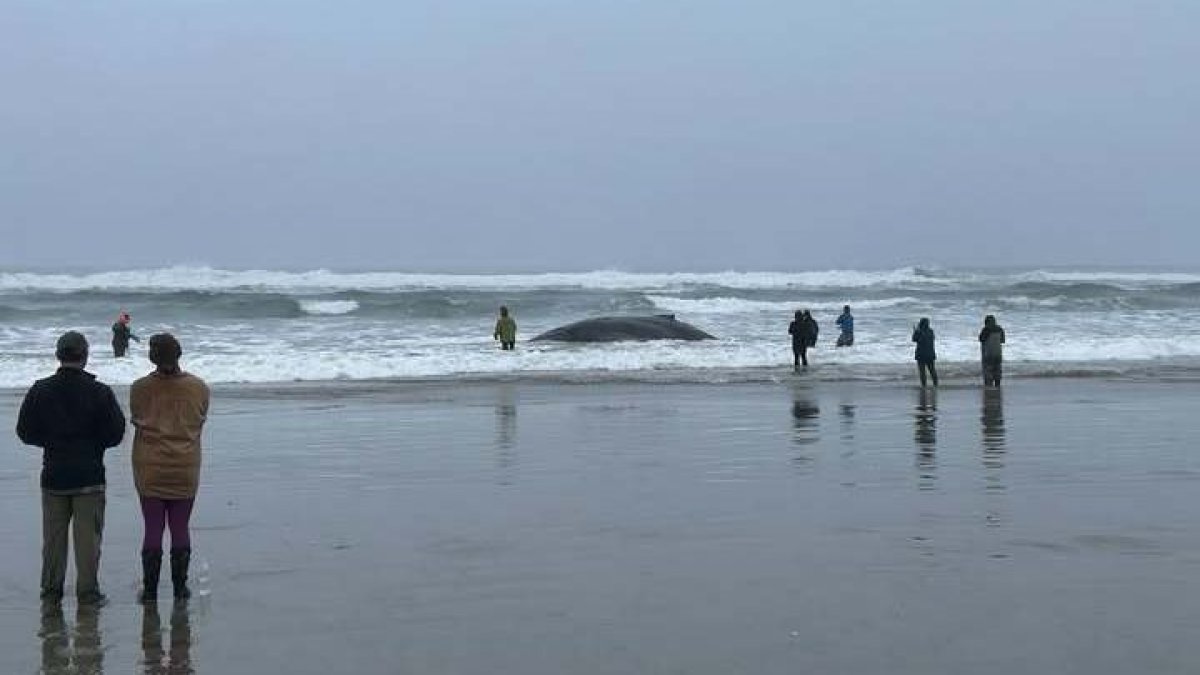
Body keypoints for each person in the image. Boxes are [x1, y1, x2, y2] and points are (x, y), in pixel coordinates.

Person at [16, 331, 126, 604]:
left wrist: (50, 442)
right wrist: (94, 445)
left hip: (54, 473)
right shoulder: (100, 392)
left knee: (53, 540)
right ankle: (88, 592)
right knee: (88, 540)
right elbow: (116, 433)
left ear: (58, 355)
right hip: (89, 473)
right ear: (85, 357)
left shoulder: (40, 389)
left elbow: (25, 431)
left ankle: (51, 590)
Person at [131, 334, 210, 601]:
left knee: (153, 527)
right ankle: (180, 587)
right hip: (185, 465)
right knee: (180, 526)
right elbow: (200, 419)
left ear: (152, 357)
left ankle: (150, 589)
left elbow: (137, 418)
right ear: (179, 354)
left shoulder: (139, 388)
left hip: (150, 466)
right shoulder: (199, 387)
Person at [979, 314, 1006, 387]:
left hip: (988, 354)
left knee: (988, 370)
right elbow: (1003, 341)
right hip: (998, 354)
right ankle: (997, 385)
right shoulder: (1000, 329)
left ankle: (989, 386)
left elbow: (981, 339)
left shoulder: (986, 330)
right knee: (998, 370)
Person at [912, 317, 939, 387]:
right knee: (932, 371)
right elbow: (930, 339)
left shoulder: (919, 331)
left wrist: (915, 331)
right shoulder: (931, 331)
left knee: (922, 372)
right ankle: (936, 384)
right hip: (930, 354)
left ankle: (924, 386)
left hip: (921, 355)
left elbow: (914, 339)